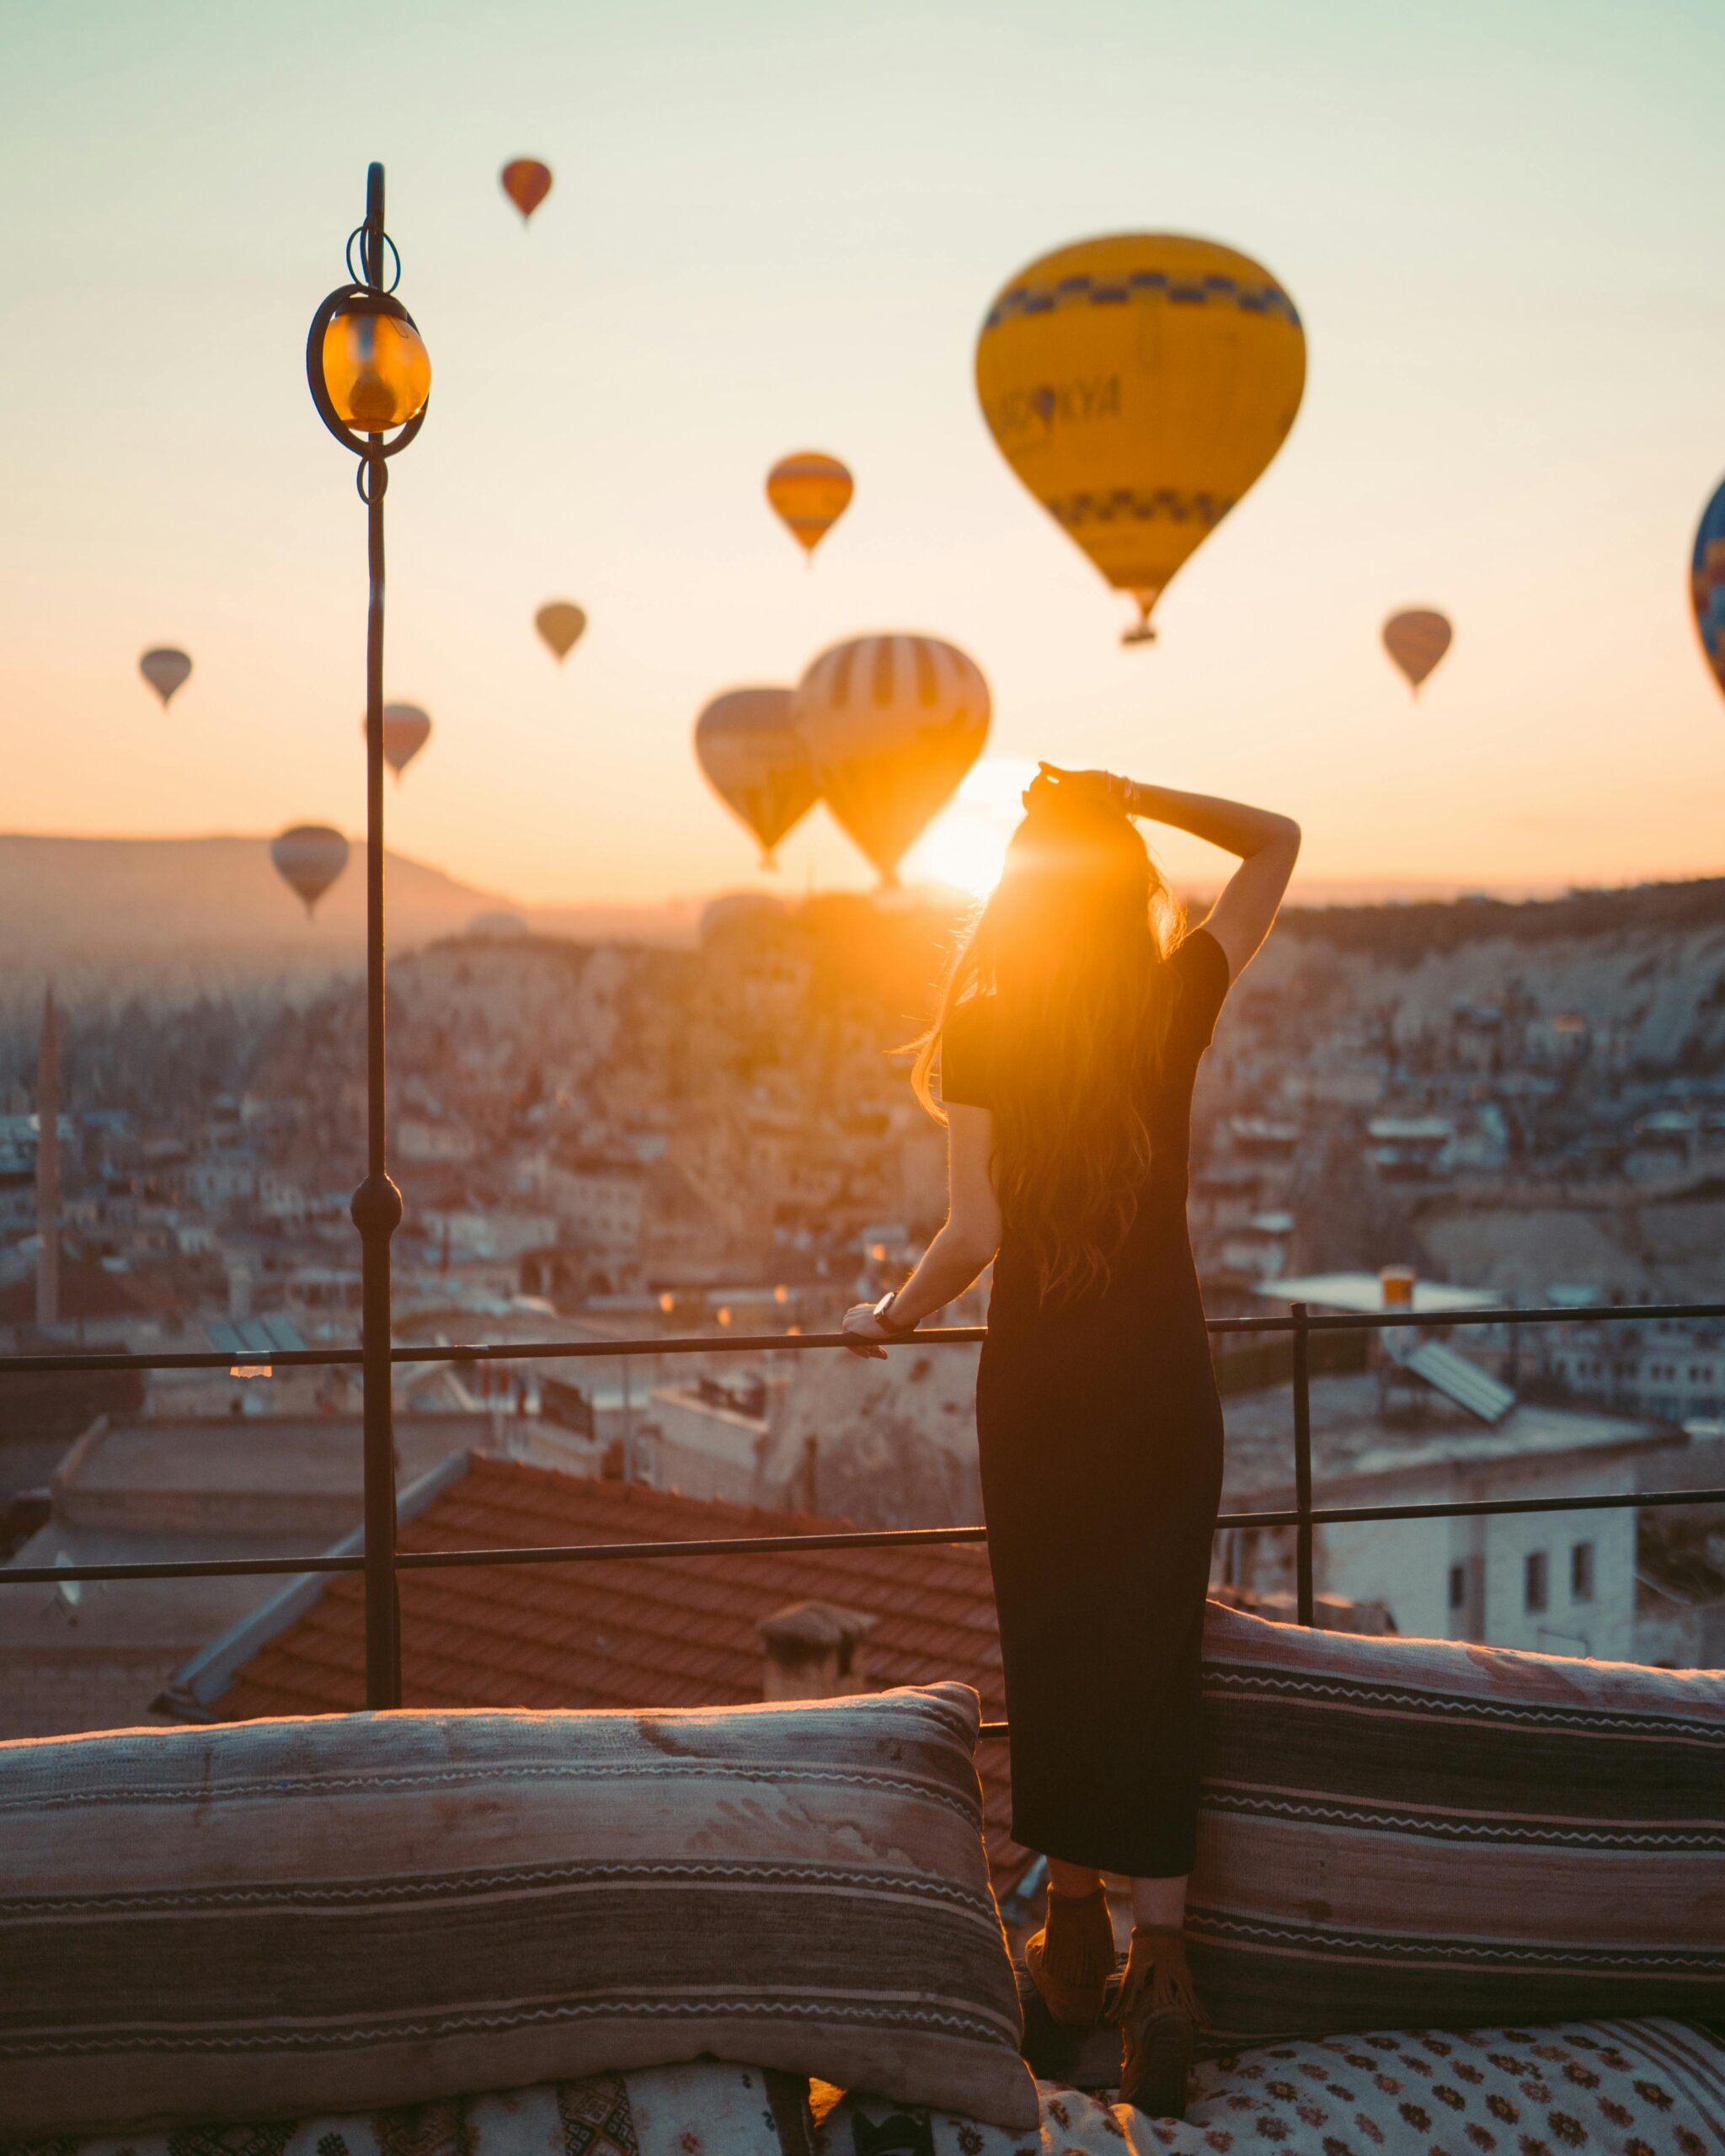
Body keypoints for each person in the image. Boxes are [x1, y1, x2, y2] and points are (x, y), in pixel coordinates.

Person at [842, 762, 1299, 2119]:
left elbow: (972, 1241)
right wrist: (1127, 795)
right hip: (1160, 1376)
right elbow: (1277, 841)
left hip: (1038, 1382)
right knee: (1155, 1656)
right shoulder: (1170, 1002)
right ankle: (1163, 1974)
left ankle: (1070, 1950)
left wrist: (888, 1311)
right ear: (1123, 897)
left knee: (1052, 1652)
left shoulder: (986, 1025)